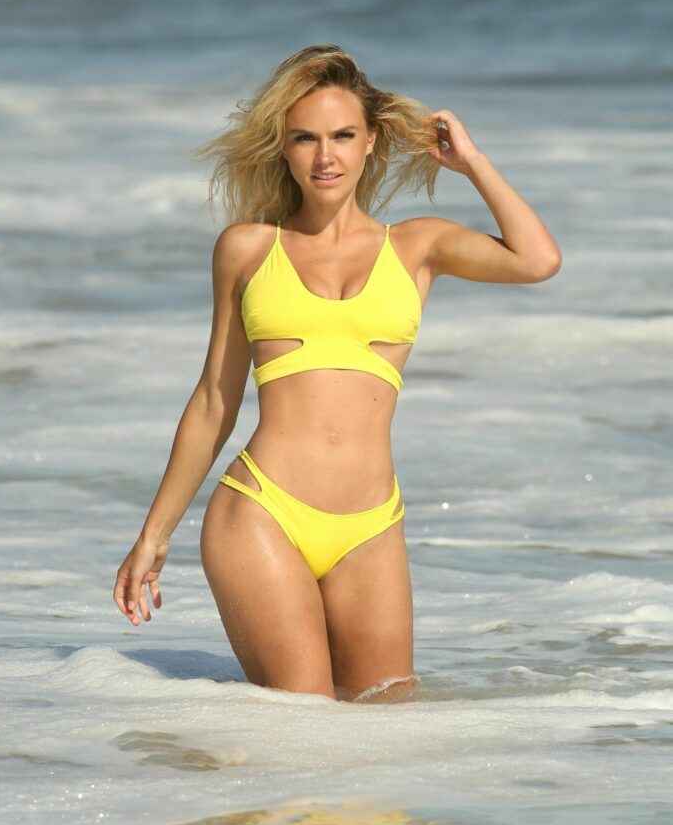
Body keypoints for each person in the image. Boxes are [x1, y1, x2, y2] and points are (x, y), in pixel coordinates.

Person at [112, 44, 561, 702]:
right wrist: (154, 536)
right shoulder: (247, 249)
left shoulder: (417, 246)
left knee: (385, 715)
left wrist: (471, 163)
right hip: (261, 511)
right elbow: (213, 400)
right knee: (305, 720)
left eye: (343, 136)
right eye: (306, 138)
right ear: (284, 148)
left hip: (371, 526)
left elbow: (537, 260)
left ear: (371, 141)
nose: (325, 157)